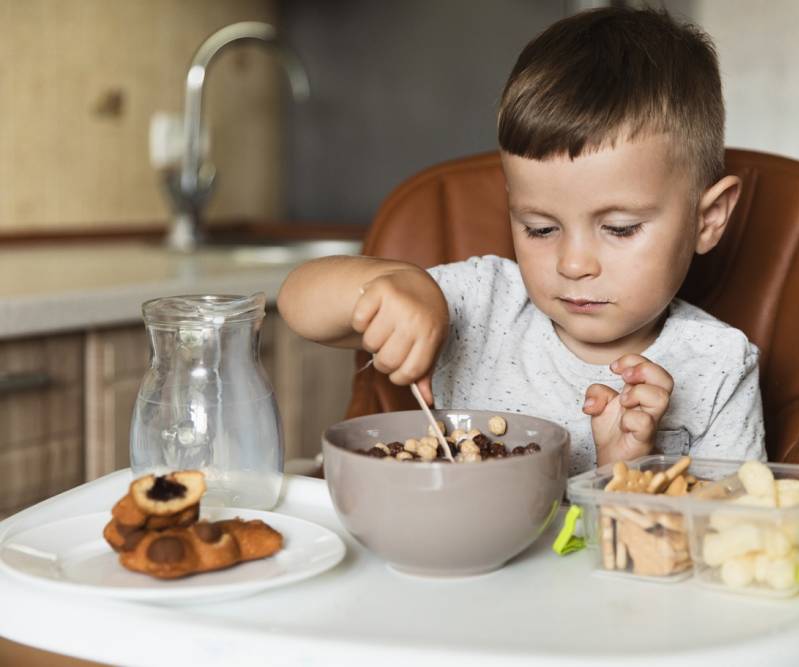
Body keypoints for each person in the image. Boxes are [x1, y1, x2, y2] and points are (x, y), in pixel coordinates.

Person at [278, 6, 764, 475]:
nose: (573, 264)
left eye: (619, 229)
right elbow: (299, 304)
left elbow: (733, 537)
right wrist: (390, 284)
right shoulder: (478, 304)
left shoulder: (718, 366)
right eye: (540, 228)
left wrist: (626, 473)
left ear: (708, 219)